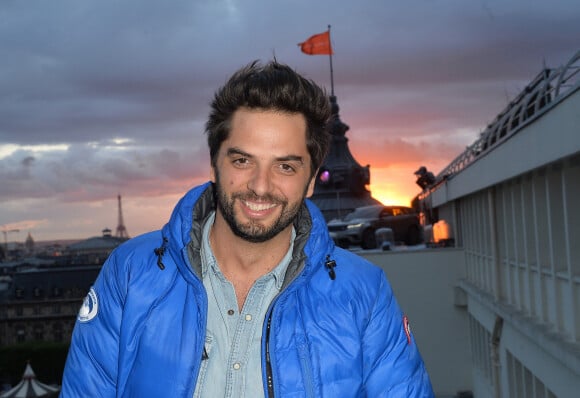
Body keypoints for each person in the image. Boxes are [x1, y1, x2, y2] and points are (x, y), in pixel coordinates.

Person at [60, 60, 434, 397]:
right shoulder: (130, 275)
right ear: (213, 166)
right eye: (242, 160)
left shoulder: (364, 294)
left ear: (309, 182)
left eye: (285, 166)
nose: (260, 185)